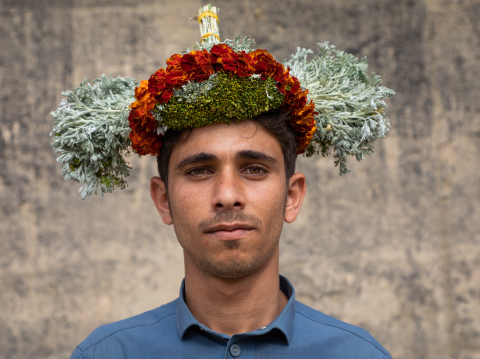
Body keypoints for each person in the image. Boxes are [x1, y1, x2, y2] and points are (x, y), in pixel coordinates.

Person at [54, 6, 394, 358]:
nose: (227, 196)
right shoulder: (108, 354)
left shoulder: (357, 353)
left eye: (254, 169)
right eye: (200, 170)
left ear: (292, 197)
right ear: (163, 199)